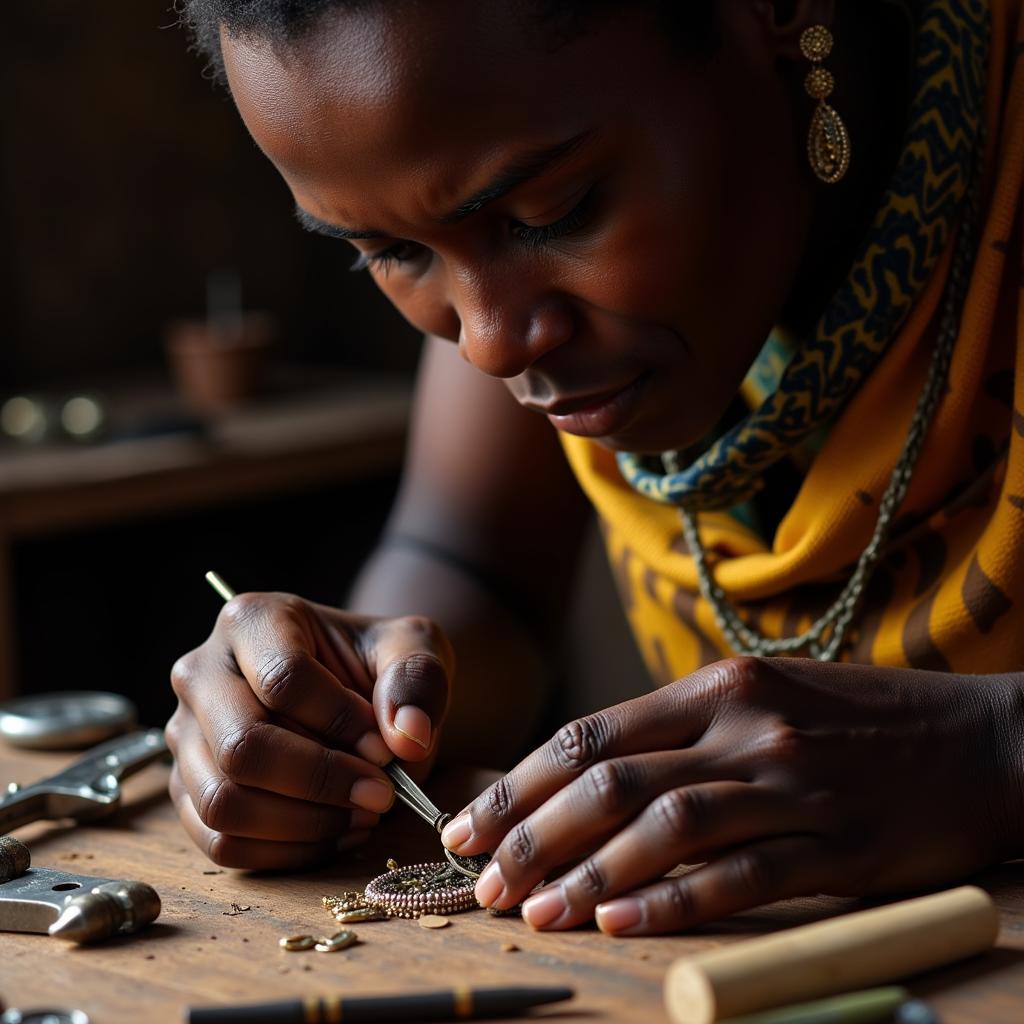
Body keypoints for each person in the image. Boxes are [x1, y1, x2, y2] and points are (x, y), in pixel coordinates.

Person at [166, 0, 1024, 936]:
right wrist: (347, 709)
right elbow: (470, 573)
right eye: (395, 253)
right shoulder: (503, 245)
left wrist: (997, 749)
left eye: (554, 214)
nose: (488, 346)